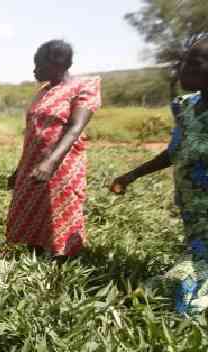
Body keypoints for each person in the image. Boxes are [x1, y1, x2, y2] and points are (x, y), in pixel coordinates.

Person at [110, 35, 208, 315]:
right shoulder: (185, 106)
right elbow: (175, 151)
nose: (181, 69)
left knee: (179, 287)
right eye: (183, 61)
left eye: (194, 62)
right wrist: (132, 175)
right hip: (191, 204)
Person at [5, 40, 101, 258]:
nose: (34, 70)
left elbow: (75, 127)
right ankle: (35, 267)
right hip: (33, 163)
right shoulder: (44, 91)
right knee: (30, 214)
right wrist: (18, 170)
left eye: (39, 65)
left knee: (59, 216)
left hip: (62, 165)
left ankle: (61, 271)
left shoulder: (83, 87)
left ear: (57, 64)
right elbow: (33, 133)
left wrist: (50, 162)